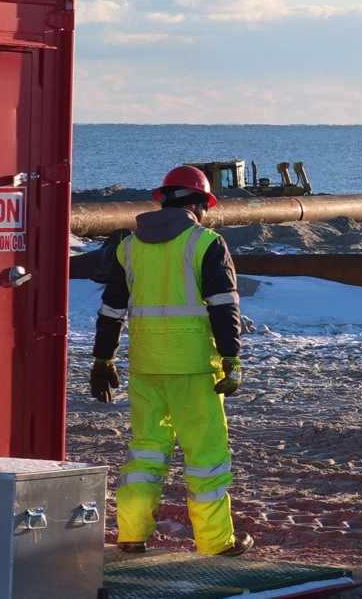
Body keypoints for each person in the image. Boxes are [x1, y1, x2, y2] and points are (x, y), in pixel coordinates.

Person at [89, 165, 254, 557]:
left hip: (145, 366)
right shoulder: (206, 243)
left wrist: (102, 358)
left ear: (163, 200)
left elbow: (111, 309)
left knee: (146, 450)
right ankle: (216, 542)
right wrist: (232, 358)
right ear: (199, 204)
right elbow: (223, 306)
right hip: (195, 367)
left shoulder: (128, 246)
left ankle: (130, 535)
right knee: (206, 457)